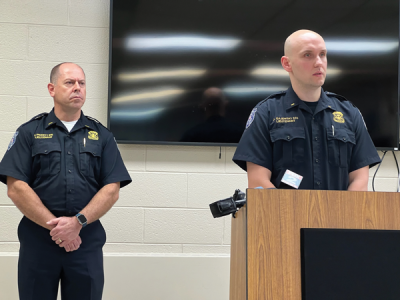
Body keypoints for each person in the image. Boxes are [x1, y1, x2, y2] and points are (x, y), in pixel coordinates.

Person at [0, 62, 132, 300]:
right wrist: (59, 229)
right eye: (69, 83)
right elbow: (16, 187)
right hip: (39, 243)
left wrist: (77, 223)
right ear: (52, 89)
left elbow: (112, 189)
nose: (77, 89)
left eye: (81, 83)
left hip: (85, 243)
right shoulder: (29, 132)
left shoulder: (102, 135)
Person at [233, 30, 380, 190]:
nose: (319, 62)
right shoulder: (266, 112)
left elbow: (359, 180)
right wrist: (293, 214)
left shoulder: (349, 113)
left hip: (338, 214)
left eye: (322, 54)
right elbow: (258, 182)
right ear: (286, 64)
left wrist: (342, 214)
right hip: (284, 214)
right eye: (308, 55)